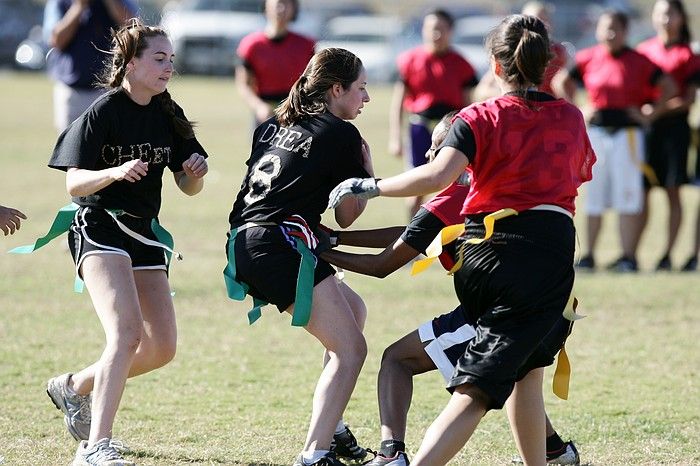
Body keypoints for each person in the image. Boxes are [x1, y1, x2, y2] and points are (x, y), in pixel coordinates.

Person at [329, 14, 596, 466]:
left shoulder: (478, 115)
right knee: (485, 387)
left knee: (519, 377)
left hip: (487, 257)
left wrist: (369, 186)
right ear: (546, 63)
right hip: (546, 260)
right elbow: (574, 178)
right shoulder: (570, 117)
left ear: (495, 64)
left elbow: (437, 176)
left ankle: (548, 457)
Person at [45, 19, 209, 465]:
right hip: (99, 226)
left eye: (171, 59)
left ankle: (74, 386)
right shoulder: (104, 111)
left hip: (145, 234)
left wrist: (191, 173)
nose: (167, 66)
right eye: (159, 58)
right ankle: (96, 447)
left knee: (162, 348)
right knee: (126, 333)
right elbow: (74, 184)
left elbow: (187, 187)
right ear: (131, 63)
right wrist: (114, 173)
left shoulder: (166, 112)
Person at [224, 48, 373, 466]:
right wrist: (367, 172)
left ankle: (334, 426)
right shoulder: (341, 134)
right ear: (336, 88)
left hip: (245, 240)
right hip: (277, 245)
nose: (366, 98)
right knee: (353, 350)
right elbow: (346, 213)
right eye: (360, 88)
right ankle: (315, 454)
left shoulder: (274, 121)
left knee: (353, 312)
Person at [553, 9, 676, 273]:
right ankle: (589, 256)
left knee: (627, 197)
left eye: (615, 29)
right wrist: (580, 108)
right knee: (594, 196)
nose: (610, 34)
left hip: (628, 135)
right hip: (597, 133)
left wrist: (651, 111)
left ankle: (627, 256)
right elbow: (561, 81)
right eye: (605, 28)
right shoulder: (589, 57)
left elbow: (669, 86)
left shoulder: (638, 60)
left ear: (625, 32)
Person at [388, 9, 478, 221]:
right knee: (416, 187)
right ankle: (409, 238)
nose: (436, 34)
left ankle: (451, 238)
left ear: (451, 31)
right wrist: (395, 138)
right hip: (420, 128)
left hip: (451, 131)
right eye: (431, 29)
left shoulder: (461, 63)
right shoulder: (410, 60)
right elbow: (398, 102)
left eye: (441, 29)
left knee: (455, 185)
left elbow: (468, 103)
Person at [636, 0, 700, 271]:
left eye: (670, 14)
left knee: (673, 194)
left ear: (681, 18)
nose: (665, 19)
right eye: (660, 13)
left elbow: (688, 99)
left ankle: (667, 254)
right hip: (646, 132)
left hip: (674, 131)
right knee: (642, 193)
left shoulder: (689, 55)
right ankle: (632, 254)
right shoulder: (643, 51)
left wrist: (656, 112)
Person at [43, 0, 137, 133]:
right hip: (72, 90)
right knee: (71, 146)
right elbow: (56, 40)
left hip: (111, 90)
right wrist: (79, 7)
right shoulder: (61, 2)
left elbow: (134, 29)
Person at [236, 0, 315, 125]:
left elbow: (315, 83)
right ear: (266, 6)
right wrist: (259, 107)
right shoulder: (251, 45)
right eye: (277, 3)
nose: (281, 8)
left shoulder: (307, 45)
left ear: (294, 8)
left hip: (298, 112)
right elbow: (243, 84)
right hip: (265, 114)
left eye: (286, 3)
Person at [473, 1, 567, 102]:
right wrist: (514, 97)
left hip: (548, 112)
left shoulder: (559, 52)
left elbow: (567, 85)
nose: (535, 29)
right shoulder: (510, 52)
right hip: (516, 111)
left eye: (544, 21)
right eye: (533, 20)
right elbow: (482, 90)